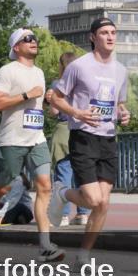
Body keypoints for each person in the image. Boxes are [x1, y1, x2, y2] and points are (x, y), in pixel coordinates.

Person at [0, 29, 63, 262]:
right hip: (12, 140)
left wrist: (47, 99)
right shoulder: (6, 71)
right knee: (3, 189)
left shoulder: (39, 72)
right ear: (15, 47)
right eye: (27, 39)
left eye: (34, 39)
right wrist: (27, 94)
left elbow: (36, 108)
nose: (33, 42)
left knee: (44, 186)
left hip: (36, 138)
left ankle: (45, 245)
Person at [47, 17, 130, 269]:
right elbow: (56, 99)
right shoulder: (79, 67)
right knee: (94, 201)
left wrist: (124, 114)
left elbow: (119, 104)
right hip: (83, 136)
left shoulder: (121, 70)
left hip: (108, 138)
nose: (110, 36)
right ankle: (62, 192)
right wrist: (77, 113)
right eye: (104, 32)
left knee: (104, 203)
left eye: (113, 32)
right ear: (93, 37)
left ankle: (84, 253)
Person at [47, 51, 89, 226]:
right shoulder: (84, 83)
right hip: (83, 130)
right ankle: (83, 214)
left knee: (63, 171)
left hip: (64, 130)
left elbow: (54, 112)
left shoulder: (58, 84)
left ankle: (63, 214)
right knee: (81, 173)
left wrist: (49, 102)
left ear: (61, 65)